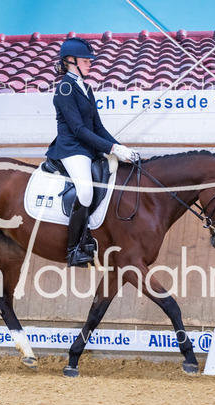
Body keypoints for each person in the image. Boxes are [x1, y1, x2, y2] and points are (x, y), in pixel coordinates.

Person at [46, 37, 139, 267]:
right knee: (86, 191)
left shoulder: (86, 88)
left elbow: (98, 127)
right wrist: (111, 148)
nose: (90, 64)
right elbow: (78, 129)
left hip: (89, 148)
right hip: (72, 149)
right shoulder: (64, 89)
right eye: (85, 60)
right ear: (70, 60)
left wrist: (121, 148)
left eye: (89, 60)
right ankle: (74, 249)